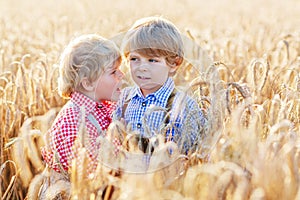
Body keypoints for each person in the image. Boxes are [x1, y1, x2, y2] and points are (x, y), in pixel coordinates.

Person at [38, 34, 124, 198]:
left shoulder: (101, 108)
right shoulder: (75, 120)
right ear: (88, 83)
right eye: (113, 72)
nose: (122, 75)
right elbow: (91, 174)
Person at [114, 16, 207, 155]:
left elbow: (192, 154)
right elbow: (113, 142)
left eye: (152, 60)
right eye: (134, 59)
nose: (142, 68)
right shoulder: (124, 99)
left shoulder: (183, 106)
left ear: (174, 64)